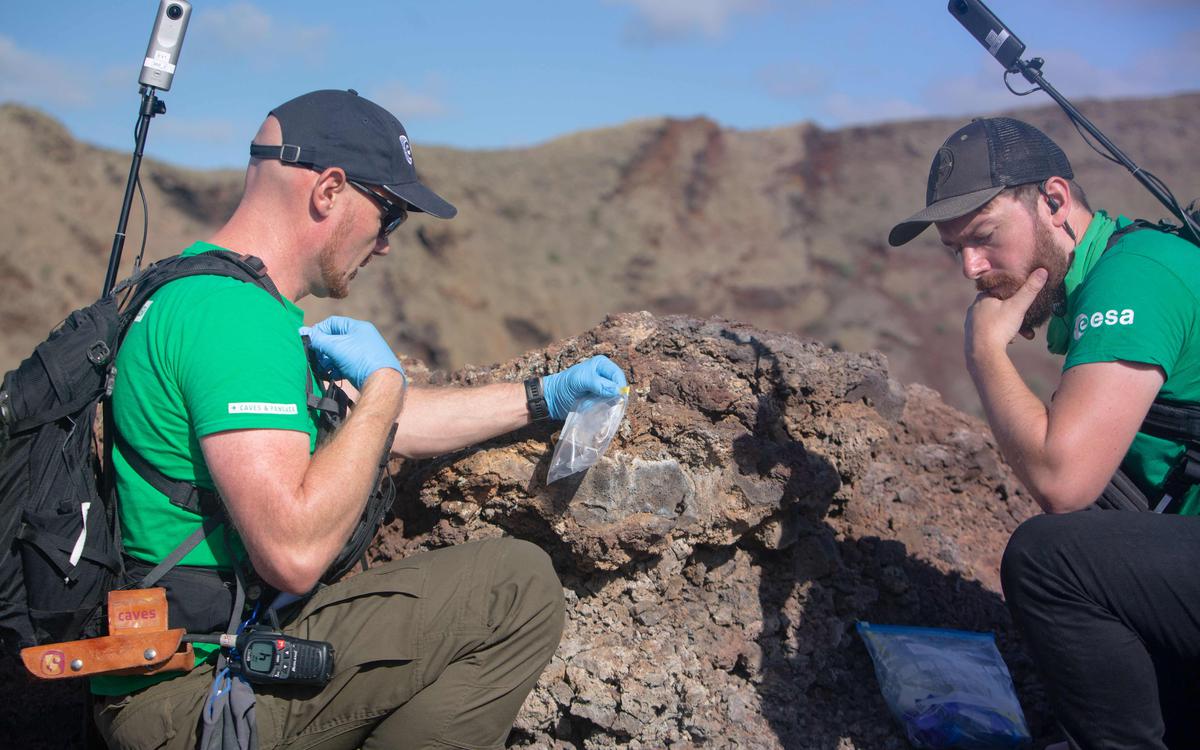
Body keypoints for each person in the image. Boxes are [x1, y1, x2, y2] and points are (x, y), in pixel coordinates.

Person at [90, 88, 628, 750]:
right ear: (329, 191)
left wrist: (547, 396)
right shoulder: (236, 322)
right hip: (195, 700)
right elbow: (293, 553)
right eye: (389, 214)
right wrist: (383, 383)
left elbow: (391, 424)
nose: (386, 245)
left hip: (181, 670)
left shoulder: (193, 293)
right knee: (516, 588)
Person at [889, 117, 1200, 749]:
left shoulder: (1136, 276)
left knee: (1049, 559)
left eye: (984, 237)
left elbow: (1063, 481)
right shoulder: (1124, 267)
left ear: (1054, 201)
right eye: (955, 250)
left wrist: (984, 352)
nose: (972, 268)